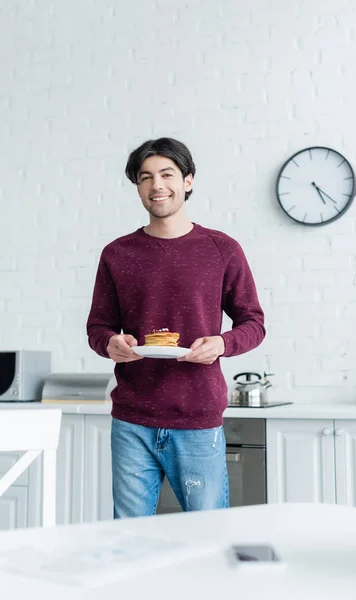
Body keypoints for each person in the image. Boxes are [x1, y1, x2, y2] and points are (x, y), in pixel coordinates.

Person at [86, 137, 265, 518]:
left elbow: (253, 322)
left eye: (167, 174)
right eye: (145, 177)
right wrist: (111, 343)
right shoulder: (117, 254)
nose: (157, 186)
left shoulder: (222, 249)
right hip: (131, 419)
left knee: (207, 534)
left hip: (197, 416)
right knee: (129, 535)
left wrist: (222, 342)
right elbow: (98, 327)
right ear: (137, 186)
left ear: (188, 181)